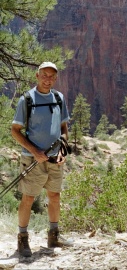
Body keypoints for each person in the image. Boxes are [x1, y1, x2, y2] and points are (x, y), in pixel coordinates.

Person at [11, 62, 72, 257]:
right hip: (32, 159)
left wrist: (63, 149)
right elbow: (15, 131)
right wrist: (35, 151)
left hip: (55, 158)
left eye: (52, 76)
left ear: (56, 79)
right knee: (28, 198)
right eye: (44, 75)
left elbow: (63, 128)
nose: (48, 79)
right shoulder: (27, 99)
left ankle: (54, 236)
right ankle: (22, 239)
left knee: (55, 196)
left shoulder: (59, 98)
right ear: (37, 75)